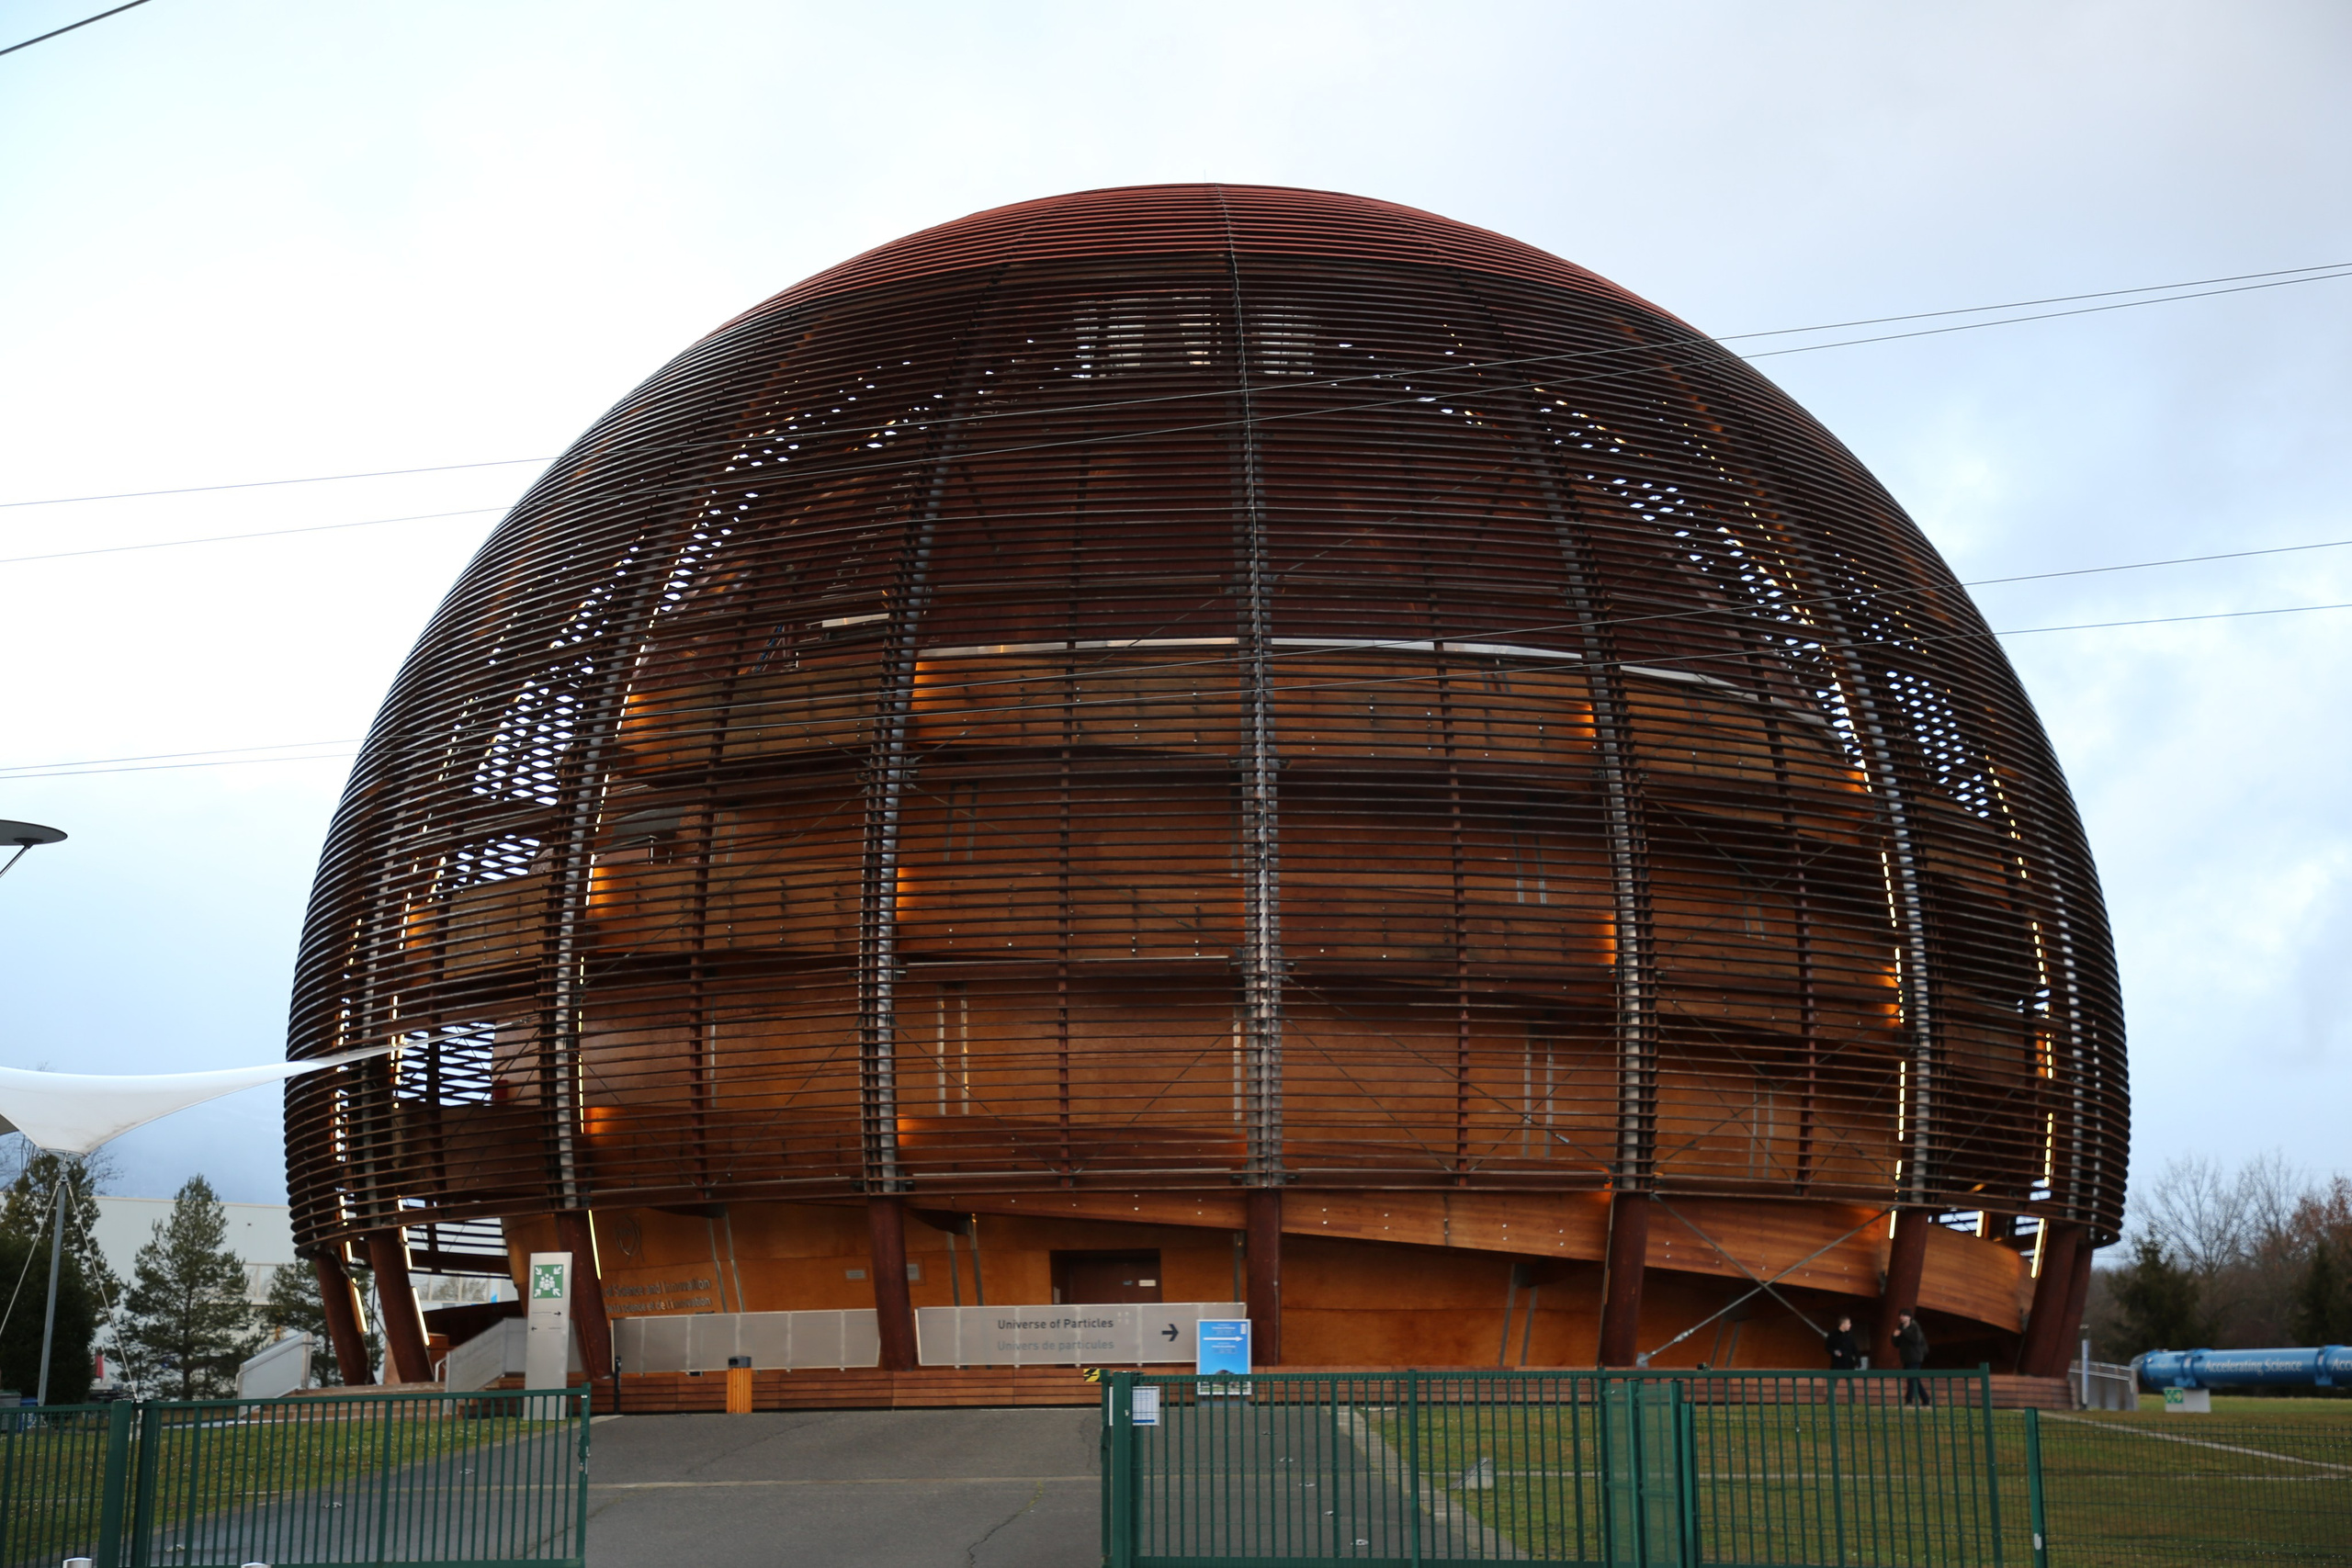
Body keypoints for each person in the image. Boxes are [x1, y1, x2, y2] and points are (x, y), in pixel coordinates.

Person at [1895, 1309, 1932, 1407]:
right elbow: (1896, 1343)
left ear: (1909, 1317)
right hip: (1906, 1358)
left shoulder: (1914, 1326)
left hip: (1915, 1357)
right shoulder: (1900, 1327)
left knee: (1911, 1379)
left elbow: (1915, 1339)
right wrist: (1894, 1336)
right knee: (1914, 1379)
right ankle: (1925, 1400)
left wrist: (1903, 1332)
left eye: (1904, 1315)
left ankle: (1909, 1401)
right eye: (1901, 1315)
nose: (1901, 1317)